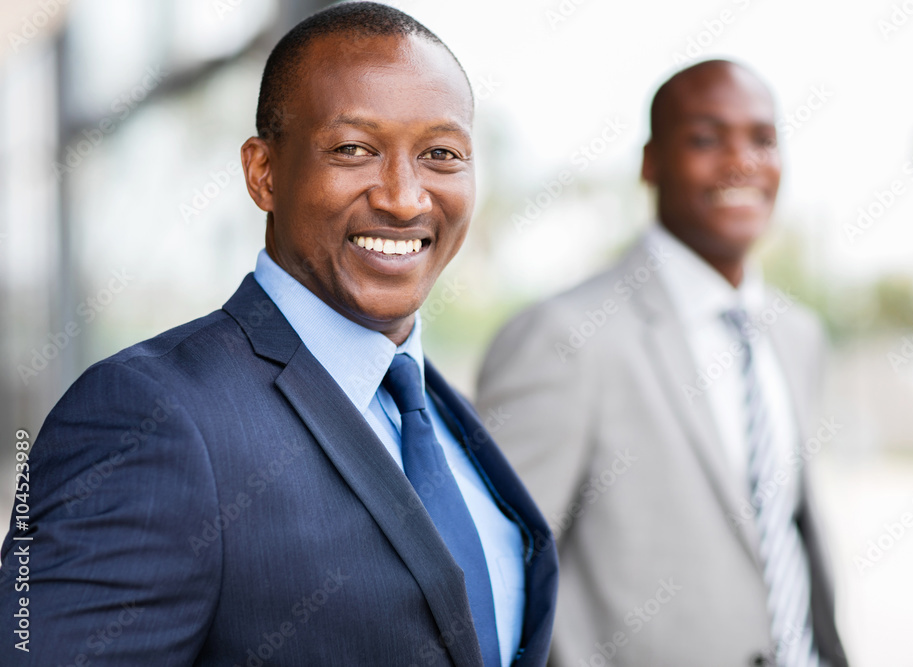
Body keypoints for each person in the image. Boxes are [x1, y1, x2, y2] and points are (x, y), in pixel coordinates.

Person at [0, 3, 557, 665]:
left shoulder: (437, 416)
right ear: (263, 172)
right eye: (354, 149)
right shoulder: (148, 416)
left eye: (441, 154)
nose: (406, 198)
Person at [475, 60, 848, 667]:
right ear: (650, 163)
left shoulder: (798, 334)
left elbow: (785, 537)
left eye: (762, 139)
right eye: (705, 139)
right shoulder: (564, 338)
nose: (742, 162)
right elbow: (494, 577)